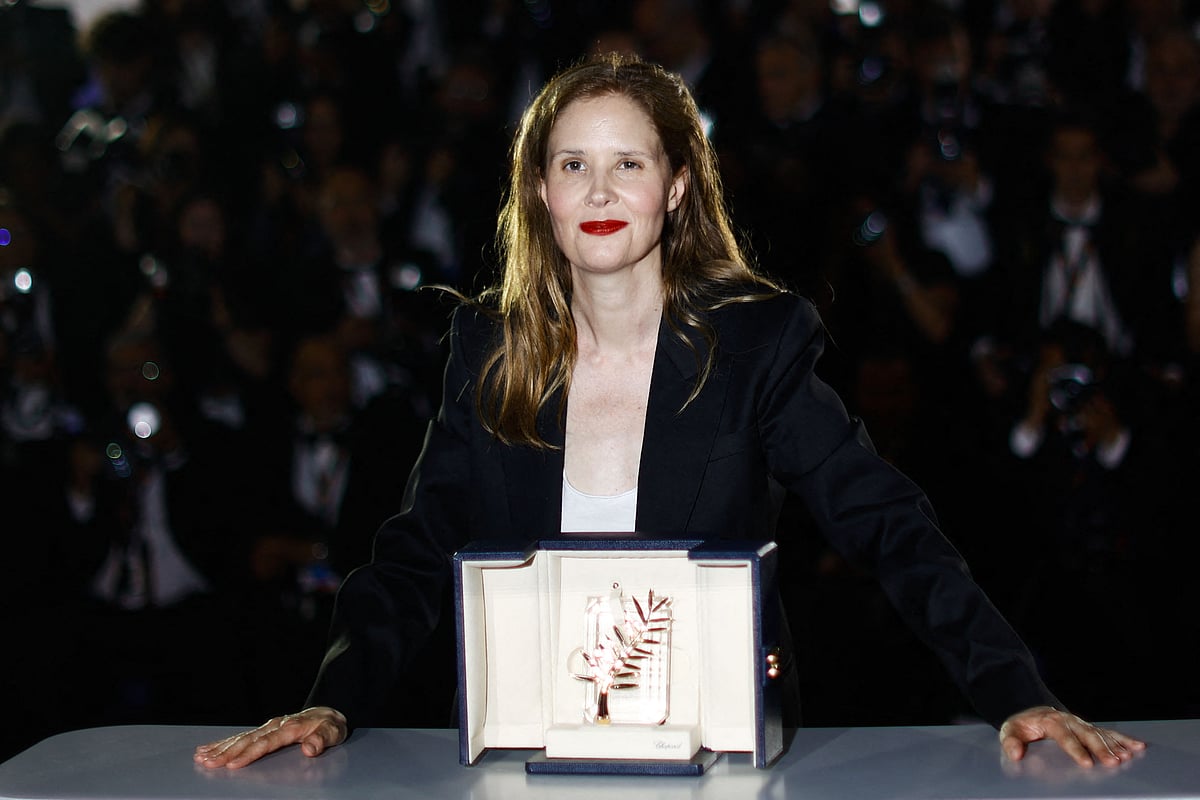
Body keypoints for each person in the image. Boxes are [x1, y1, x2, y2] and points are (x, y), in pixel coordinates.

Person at [196, 51, 1144, 771]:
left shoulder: (757, 347)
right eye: (572, 165)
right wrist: (332, 704)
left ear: (677, 186)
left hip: (715, 757)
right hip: (522, 758)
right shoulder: (488, 348)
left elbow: (888, 525)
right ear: (540, 191)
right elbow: (413, 551)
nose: (600, 191)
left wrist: (1017, 693)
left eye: (628, 165)